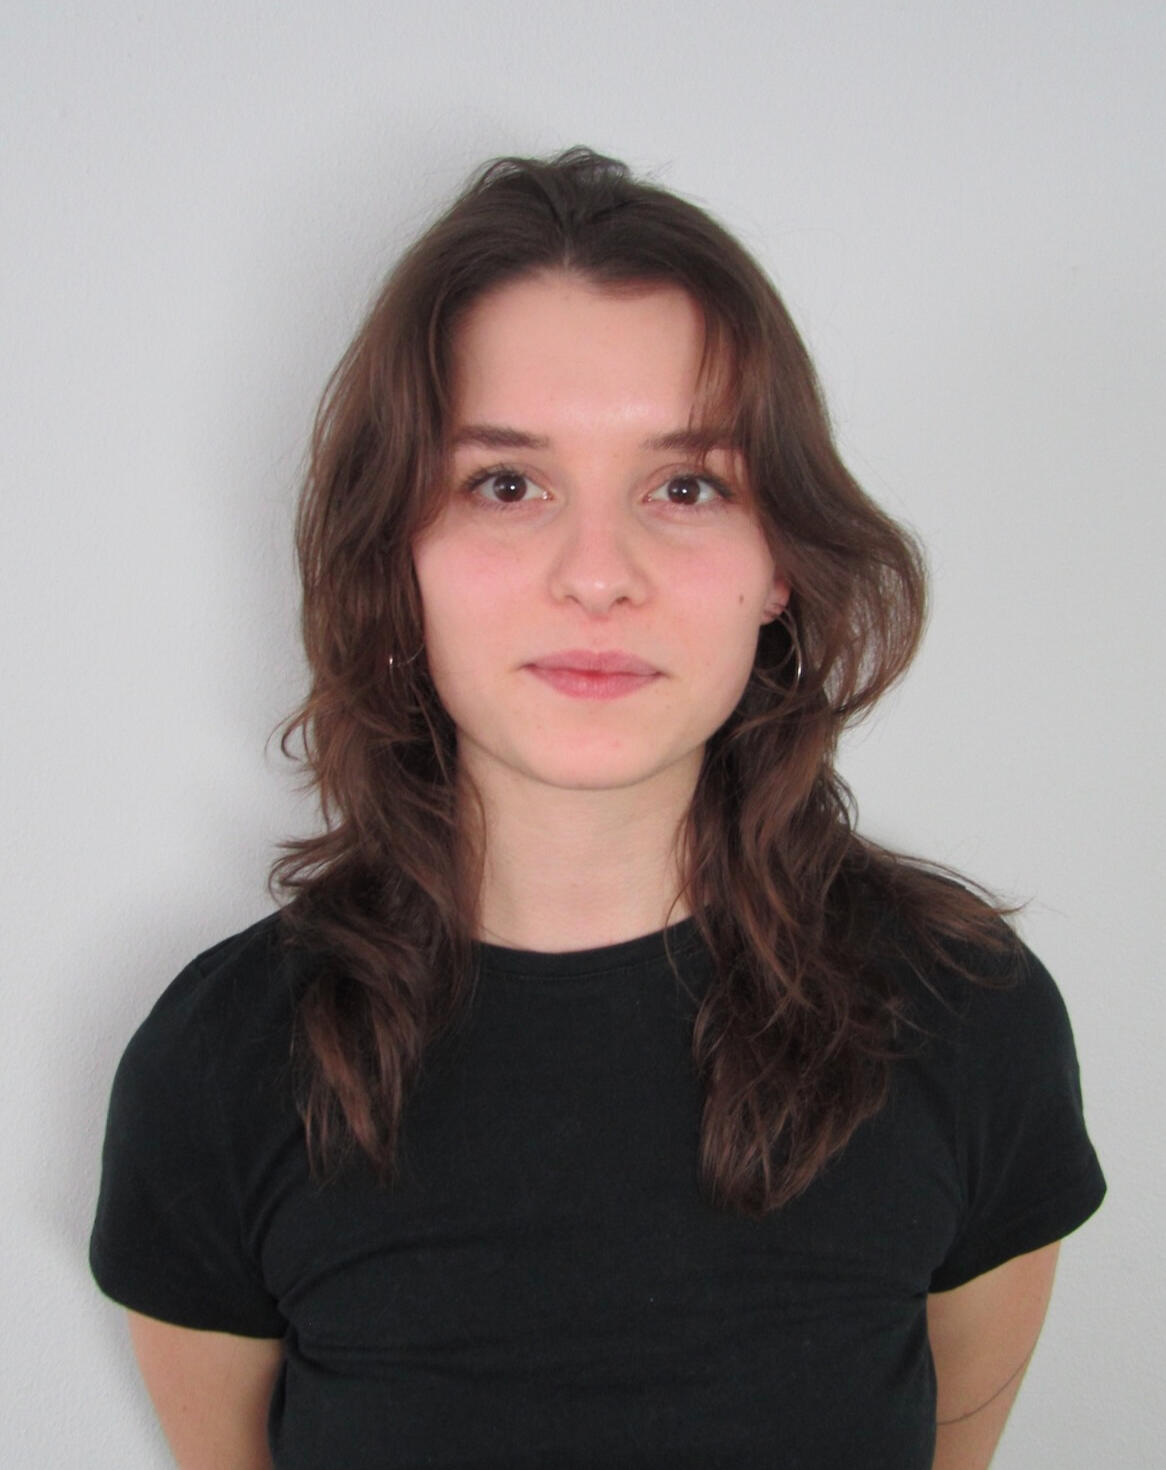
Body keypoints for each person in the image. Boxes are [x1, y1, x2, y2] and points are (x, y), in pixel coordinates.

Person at [89, 147, 1105, 1470]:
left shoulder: (966, 1018)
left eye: (685, 486)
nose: (597, 574)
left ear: (778, 562)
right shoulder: (218, 1069)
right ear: (395, 553)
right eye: (507, 484)